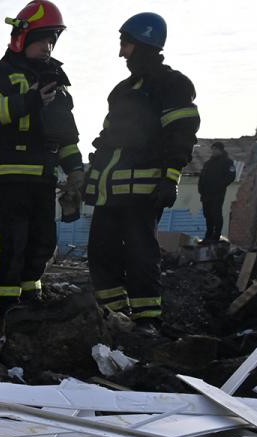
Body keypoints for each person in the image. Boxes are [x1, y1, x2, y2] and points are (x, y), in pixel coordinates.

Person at [83, 12, 199, 336]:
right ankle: (115, 318)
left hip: (145, 192)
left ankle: (147, 324)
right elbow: (105, 143)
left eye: (126, 44)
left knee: (140, 254)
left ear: (144, 42)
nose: (121, 52)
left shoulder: (173, 85)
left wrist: (170, 177)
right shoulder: (121, 92)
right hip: (110, 193)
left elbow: (182, 134)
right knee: (101, 254)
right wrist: (92, 181)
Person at [0, 0, 83, 331]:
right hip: (7, 175)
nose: (48, 48)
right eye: (42, 40)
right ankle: (3, 313)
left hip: (43, 177)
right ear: (22, 37)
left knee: (43, 242)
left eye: (53, 41)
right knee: (11, 244)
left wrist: (76, 170)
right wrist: (30, 99)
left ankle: (28, 303)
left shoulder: (55, 80)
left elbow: (66, 133)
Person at [197, 141, 235, 244]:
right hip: (206, 194)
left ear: (221, 150)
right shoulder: (208, 163)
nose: (213, 151)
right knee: (207, 214)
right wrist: (201, 189)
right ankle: (208, 235)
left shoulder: (227, 162)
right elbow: (202, 177)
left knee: (216, 214)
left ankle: (216, 235)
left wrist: (219, 186)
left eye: (215, 149)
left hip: (217, 194)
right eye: (212, 149)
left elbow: (231, 177)